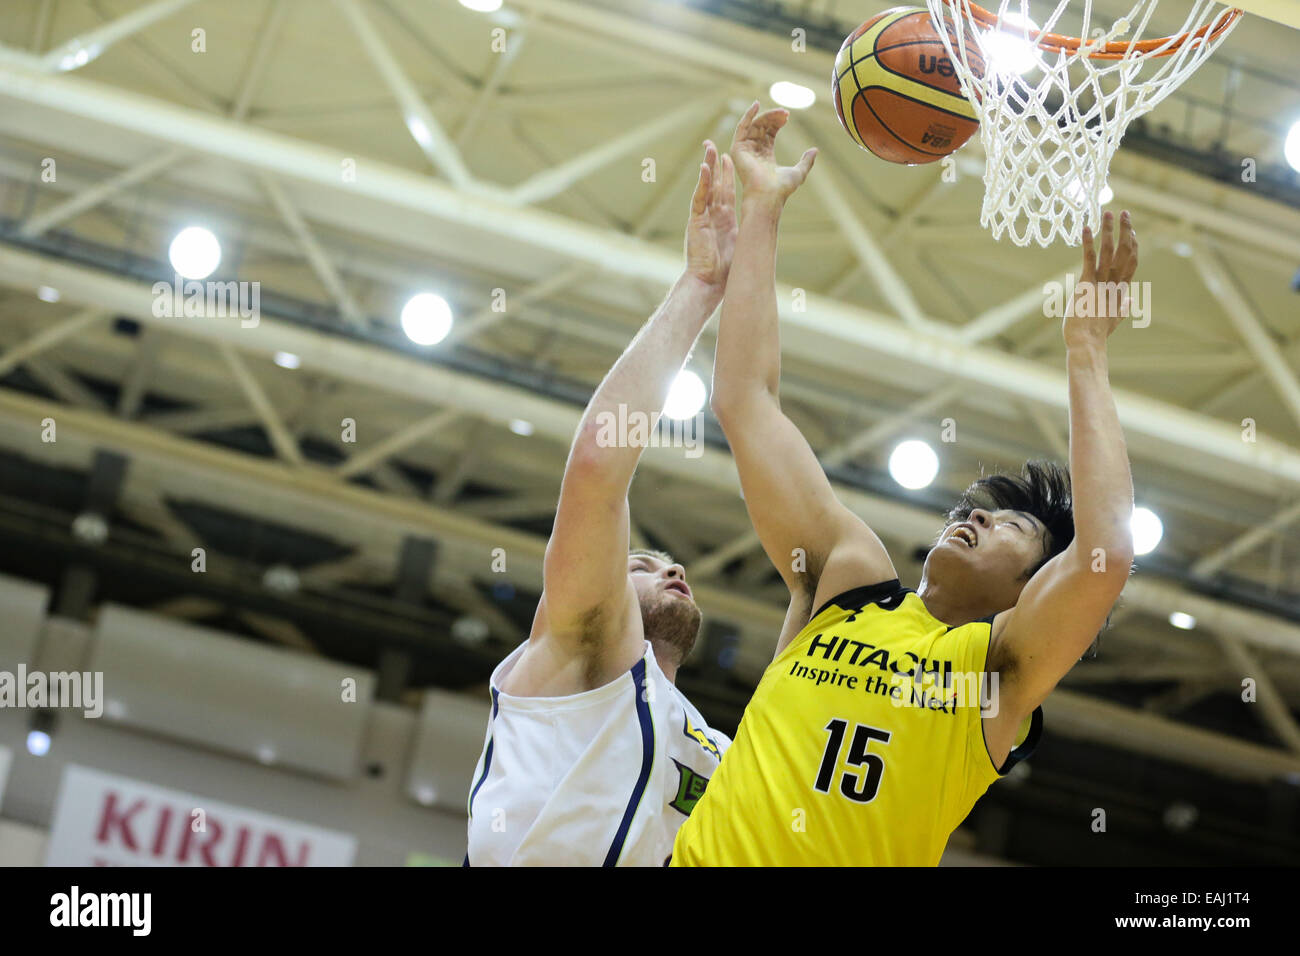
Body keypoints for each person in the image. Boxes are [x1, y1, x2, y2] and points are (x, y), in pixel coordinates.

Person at [672, 104, 1138, 866]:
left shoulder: (998, 675)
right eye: (976, 513)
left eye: (1007, 529)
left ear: (1031, 590)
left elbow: (1105, 555)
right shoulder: (849, 581)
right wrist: (761, 211)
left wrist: (1085, 349)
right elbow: (745, 405)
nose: (975, 521)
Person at [465, 143, 738, 866]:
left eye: (672, 563)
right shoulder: (582, 649)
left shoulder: (724, 752)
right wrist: (701, 287)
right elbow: (597, 463)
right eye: (643, 563)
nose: (674, 570)